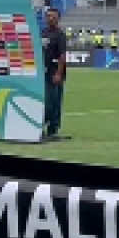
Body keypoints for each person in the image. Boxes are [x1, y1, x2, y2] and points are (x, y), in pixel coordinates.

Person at [41, 8, 67, 139]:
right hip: (43, 73)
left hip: (54, 73)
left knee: (54, 102)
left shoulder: (60, 35)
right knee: (44, 101)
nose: (50, 18)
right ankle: (41, 126)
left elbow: (62, 56)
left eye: (53, 16)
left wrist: (58, 73)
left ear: (58, 19)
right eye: (48, 16)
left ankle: (53, 129)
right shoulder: (43, 33)